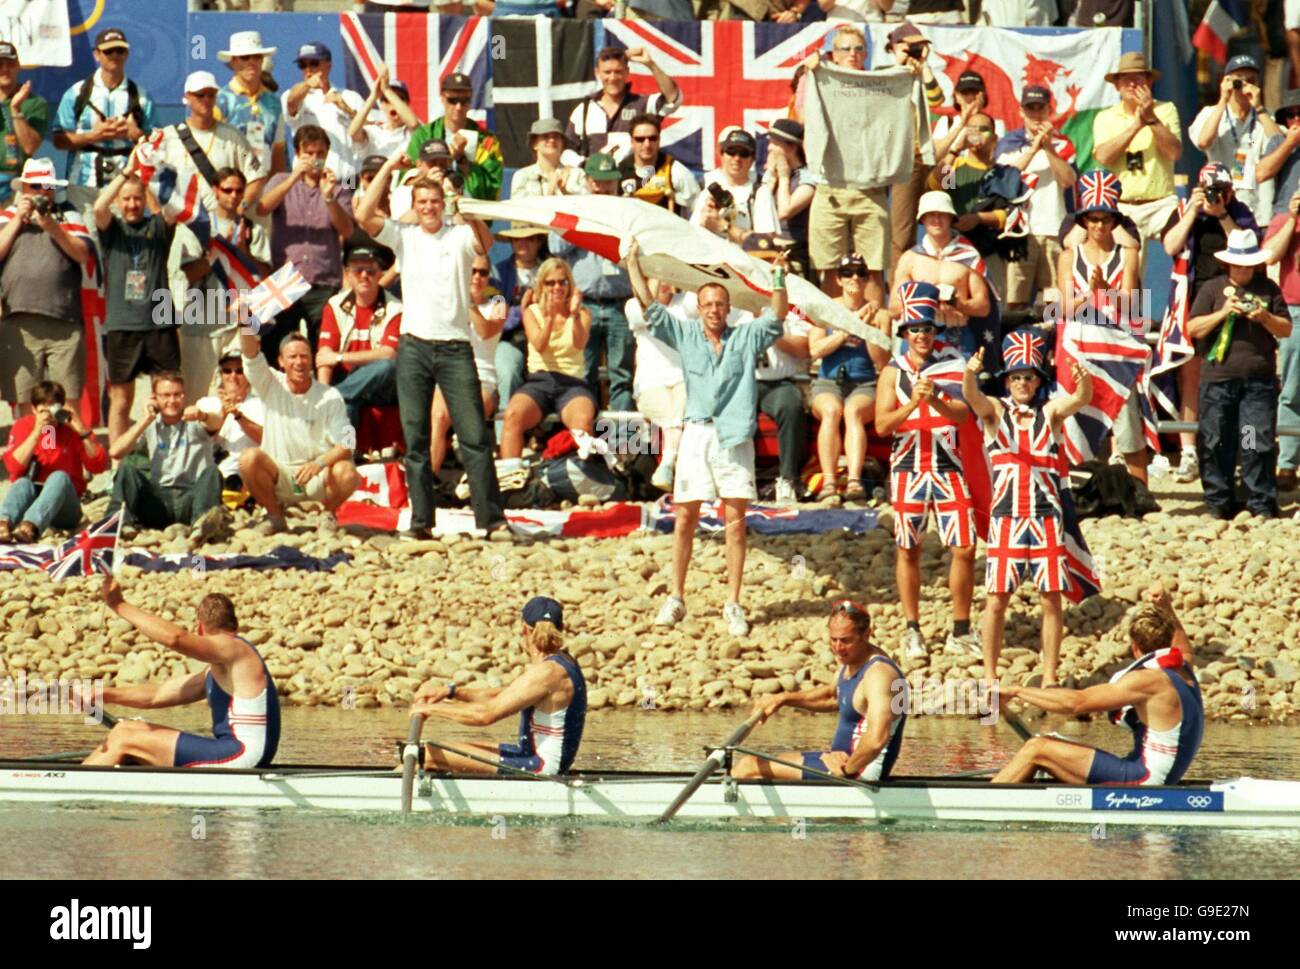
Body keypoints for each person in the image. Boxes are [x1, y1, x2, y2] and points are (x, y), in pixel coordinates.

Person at [628, 242, 787, 637]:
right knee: (685, 517)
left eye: (720, 304)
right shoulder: (685, 334)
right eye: (709, 304)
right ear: (699, 308)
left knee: (735, 522)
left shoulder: (745, 338)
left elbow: (777, 318)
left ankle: (733, 602)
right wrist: (632, 262)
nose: (715, 310)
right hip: (698, 430)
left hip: (733, 436)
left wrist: (780, 277)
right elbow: (649, 307)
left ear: (727, 308)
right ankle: (676, 597)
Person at [358, 155, 506, 540]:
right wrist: (390, 166)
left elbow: (485, 242)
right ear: (414, 204)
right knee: (416, 438)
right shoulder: (403, 237)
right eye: (421, 202)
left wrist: (462, 202)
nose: (428, 208)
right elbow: (363, 214)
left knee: (474, 435)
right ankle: (422, 521)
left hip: (456, 348)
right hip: (414, 347)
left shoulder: (458, 236)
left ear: (442, 205)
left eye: (434, 202)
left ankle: (492, 519)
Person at [963, 334, 1092, 688]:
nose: (1022, 383)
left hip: (1046, 518)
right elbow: (972, 399)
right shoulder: (996, 411)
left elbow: (1080, 400)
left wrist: (1084, 378)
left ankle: (1049, 675)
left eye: (1029, 377)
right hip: (1006, 518)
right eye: (1016, 377)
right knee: (996, 599)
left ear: (1038, 381)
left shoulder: (1048, 413)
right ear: (1007, 380)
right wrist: (969, 375)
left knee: (1050, 598)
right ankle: (990, 677)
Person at [992, 586, 1202, 787]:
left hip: (1143, 780)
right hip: (1157, 776)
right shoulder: (1183, 667)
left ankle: (976, 806)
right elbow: (1183, 644)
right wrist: (1166, 607)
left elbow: (1075, 703)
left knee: (1037, 748)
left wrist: (1016, 691)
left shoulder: (1149, 681)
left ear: (1135, 647)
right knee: (1049, 746)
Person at [875, 281, 979, 659]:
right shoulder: (892, 372)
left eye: (927, 328)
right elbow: (883, 425)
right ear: (904, 333)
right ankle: (912, 628)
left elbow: (964, 414)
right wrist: (912, 405)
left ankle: (961, 629)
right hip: (908, 468)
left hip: (948, 465)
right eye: (915, 329)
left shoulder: (952, 363)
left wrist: (934, 398)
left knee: (964, 547)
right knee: (908, 547)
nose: (922, 335)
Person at [83, 578, 281, 770]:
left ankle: (66, 786)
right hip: (239, 752)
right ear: (235, 625)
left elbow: (176, 639)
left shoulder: (234, 648)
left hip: (242, 754)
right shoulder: (216, 672)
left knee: (125, 736)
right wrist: (103, 694)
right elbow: (157, 696)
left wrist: (118, 604)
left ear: (199, 627)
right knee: (127, 729)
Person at [1160, 163, 1260, 486]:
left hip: (1236, 298)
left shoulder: (1239, 213)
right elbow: (1170, 246)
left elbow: (1248, 246)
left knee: (1239, 382)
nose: (1219, 196)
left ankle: (1246, 453)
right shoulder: (1187, 210)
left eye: (1224, 191)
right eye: (1213, 191)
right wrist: (1192, 211)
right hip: (1198, 300)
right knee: (1192, 376)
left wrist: (1221, 214)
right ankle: (1190, 452)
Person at [731, 599, 908, 782]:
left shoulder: (880, 675)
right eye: (833, 639)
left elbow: (876, 739)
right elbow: (833, 696)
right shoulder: (853, 661)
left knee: (749, 766)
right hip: (840, 760)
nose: (838, 648)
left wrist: (845, 771)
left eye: (845, 641)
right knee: (769, 762)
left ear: (866, 635)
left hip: (859, 772)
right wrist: (783, 699)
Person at [411, 596, 586, 777]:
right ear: (561, 629)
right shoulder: (562, 663)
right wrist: (452, 692)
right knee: (439, 752)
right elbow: (504, 696)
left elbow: (485, 715)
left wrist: (430, 708)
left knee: (428, 754)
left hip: (541, 767)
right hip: (529, 755)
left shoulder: (548, 673)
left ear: (524, 630)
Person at [1184, 229, 1291, 519]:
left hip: (1257, 383)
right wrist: (1223, 313)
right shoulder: (1211, 289)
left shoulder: (1268, 289)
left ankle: (1259, 502)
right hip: (1218, 380)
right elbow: (1193, 329)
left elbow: (1286, 329)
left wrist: (1265, 317)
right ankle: (1219, 502)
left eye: (1247, 265)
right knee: (1217, 441)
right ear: (1227, 264)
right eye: (1238, 264)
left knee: (1253, 440)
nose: (1242, 270)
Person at [1057, 169, 1148, 485]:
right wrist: (1088, 292)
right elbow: (1064, 308)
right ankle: (1083, 493)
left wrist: (1105, 286)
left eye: (1105, 219)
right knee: (1077, 420)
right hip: (1080, 348)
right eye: (1092, 219)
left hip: (1116, 350)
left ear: (1114, 221)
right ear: (1083, 221)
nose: (1098, 225)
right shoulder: (1069, 256)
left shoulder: (1128, 254)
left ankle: (1140, 494)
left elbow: (1133, 305)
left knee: (1127, 424)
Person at [798, 26, 887, 305]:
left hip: (871, 188)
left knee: (872, 269)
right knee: (830, 269)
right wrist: (811, 74)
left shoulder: (880, 86)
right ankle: (836, 336)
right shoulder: (816, 79)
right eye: (846, 48)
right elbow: (804, 120)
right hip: (829, 188)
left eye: (859, 49)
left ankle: (874, 335)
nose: (853, 54)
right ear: (832, 55)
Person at [94, 165, 180, 445]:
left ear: (144, 200)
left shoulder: (157, 227)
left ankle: (168, 455)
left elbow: (174, 206)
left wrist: (147, 177)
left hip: (159, 323)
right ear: (118, 202)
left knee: (169, 394)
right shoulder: (113, 230)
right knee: (121, 399)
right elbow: (98, 207)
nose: (132, 205)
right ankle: (118, 462)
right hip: (122, 325)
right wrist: (123, 175)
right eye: (126, 199)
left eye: (137, 198)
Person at [0, 159, 93, 414]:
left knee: (64, 401)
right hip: (19, 320)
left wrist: (54, 228)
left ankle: (58, 451)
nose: (42, 192)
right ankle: (35, 452)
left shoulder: (69, 214)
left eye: (47, 186)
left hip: (64, 321)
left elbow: (83, 255)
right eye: (36, 186)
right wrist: (19, 219)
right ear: (25, 188)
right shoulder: (8, 215)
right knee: (27, 402)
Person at [255, 124, 354, 360]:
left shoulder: (340, 188)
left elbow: (347, 230)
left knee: (323, 348)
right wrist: (294, 177)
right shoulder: (280, 179)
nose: (314, 159)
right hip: (285, 279)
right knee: (275, 345)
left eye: (320, 153)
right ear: (298, 154)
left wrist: (329, 197)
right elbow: (262, 208)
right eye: (308, 153)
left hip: (323, 280)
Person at [551, 153, 636, 412]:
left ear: (618, 182)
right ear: (588, 181)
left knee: (622, 375)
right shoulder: (577, 210)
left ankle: (622, 445)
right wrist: (584, 223)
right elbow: (555, 246)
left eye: (608, 181)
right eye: (597, 181)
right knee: (583, 373)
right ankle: (587, 442)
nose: (603, 187)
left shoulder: (629, 211)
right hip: (583, 304)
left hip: (620, 302)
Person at [107, 371, 228, 543]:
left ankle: (201, 526)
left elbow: (216, 423)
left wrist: (203, 415)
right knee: (127, 468)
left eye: (176, 395)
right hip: (159, 500)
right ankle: (116, 522)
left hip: (190, 496)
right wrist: (146, 418)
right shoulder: (150, 425)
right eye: (165, 395)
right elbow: (115, 452)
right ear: (154, 398)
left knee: (212, 472)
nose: (172, 400)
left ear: (184, 396)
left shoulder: (193, 420)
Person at [808, 253, 890, 503]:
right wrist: (847, 331)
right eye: (848, 273)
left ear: (867, 279)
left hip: (863, 382)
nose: (854, 278)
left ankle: (854, 481)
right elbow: (815, 351)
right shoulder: (825, 309)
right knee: (833, 411)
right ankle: (829, 481)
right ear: (839, 279)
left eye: (860, 273)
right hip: (828, 381)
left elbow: (882, 360)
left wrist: (866, 330)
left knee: (853, 410)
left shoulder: (880, 315)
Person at [1091, 52, 1182, 271]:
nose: (1132, 84)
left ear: (1149, 81)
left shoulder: (1166, 109)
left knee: (1184, 245)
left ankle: (1183, 302)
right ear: (1117, 86)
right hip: (1123, 206)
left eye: (1139, 78)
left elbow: (1174, 153)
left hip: (1161, 203)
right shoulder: (1106, 117)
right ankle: (1132, 306)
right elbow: (1103, 157)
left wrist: (1151, 118)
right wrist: (1135, 126)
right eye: (1126, 79)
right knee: (1127, 270)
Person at [499, 258, 596, 458]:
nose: (557, 287)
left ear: (570, 285)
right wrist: (551, 318)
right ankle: (510, 477)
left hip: (572, 383)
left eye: (562, 282)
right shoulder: (532, 312)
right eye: (550, 283)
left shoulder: (583, 313)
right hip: (539, 381)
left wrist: (574, 315)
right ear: (541, 285)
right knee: (512, 416)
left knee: (584, 422)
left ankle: (583, 476)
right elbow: (539, 344)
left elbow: (579, 343)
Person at [994, 85, 1078, 312]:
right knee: (1015, 299)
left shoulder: (1063, 144)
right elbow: (1005, 181)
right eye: (1030, 109)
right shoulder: (1008, 144)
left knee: (1052, 299)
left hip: (1053, 229)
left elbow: (1068, 180)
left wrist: (1048, 147)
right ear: (1021, 112)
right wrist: (1033, 149)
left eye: (1040, 108)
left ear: (1049, 110)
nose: (1035, 114)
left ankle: (1048, 346)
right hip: (1018, 232)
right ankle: (1013, 344)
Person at [51, 28, 155, 210]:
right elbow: (59, 140)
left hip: (124, 186)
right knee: (85, 237)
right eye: (108, 51)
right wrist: (93, 136)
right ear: (96, 55)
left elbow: (157, 145)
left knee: (121, 238)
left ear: (127, 54)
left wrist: (137, 136)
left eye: (120, 50)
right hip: (83, 184)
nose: (114, 56)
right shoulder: (76, 94)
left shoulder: (141, 97)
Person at [0, 381, 108, 544]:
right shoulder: (24, 426)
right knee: (22, 483)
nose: (48, 416)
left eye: (52, 410)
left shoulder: (71, 429)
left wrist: (82, 433)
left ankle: (30, 527)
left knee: (59, 477)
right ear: (34, 409)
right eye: (43, 411)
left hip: (65, 507)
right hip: (32, 500)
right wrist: (37, 432)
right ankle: (3, 524)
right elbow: (13, 467)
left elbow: (98, 466)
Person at [891, 190, 992, 360]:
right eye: (931, 215)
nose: (937, 220)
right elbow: (893, 308)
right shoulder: (910, 259)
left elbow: (983, 307)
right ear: (922, 219)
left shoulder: (969, 256)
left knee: (959, 385)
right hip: (918, 336)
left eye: (942, 215)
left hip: (957, 336)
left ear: (951, 218)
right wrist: (927, 302)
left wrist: (957, 303)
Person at [927, 110, 1012, 297]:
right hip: (955, 251)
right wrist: (956, 149)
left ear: (995, 137)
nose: (977, 133)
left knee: (993, 304)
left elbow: (1011, 214)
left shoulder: (1002, 174)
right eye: (971, 129)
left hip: (991, 252)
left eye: (983, 129)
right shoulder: (957, 166)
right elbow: (937, 185)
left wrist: (979, 218)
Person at [884, 21, 947, 272]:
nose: (914, 52)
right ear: (894, 47)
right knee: (901, 231)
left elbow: (938, 99)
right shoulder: (884, 72)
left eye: (919, 47)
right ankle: (899, 291)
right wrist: (900, 64)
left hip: (924, 157)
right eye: (909, 47)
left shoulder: (921, 74)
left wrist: (925, 68)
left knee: (934, 217)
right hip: (901, 158)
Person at [317, 244, 401, 430]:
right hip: (348, 380)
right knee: (347, 405)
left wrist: (339, 357)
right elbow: (324, 355)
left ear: (380, 274)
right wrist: (322, 391)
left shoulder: (396, 308)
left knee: (388, 366)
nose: (364, 275)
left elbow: (388, 354)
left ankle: (333, 398)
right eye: (358, 270)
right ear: (347, 274)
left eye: (370, 271)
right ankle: (346, 452)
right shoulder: (334, 305)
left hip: (380, 385)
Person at [433, 253, 504, 473]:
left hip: (482, 378)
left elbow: (485, 331)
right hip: (449, 374)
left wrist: (469, 303)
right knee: (437, 416)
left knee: (469, 415)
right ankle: (424, 485)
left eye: (483, 272)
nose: (477, 277)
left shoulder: (498, 303)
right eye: (472, 271)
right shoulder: (447, 301)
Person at [1189, 55, 1279, 228]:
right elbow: (1203, 142)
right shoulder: (1212, 113)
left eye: (1251, 81)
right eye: (1239, 81)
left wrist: (1259, 108)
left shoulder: (1265, 118)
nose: (1244, 86)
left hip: (1260, 211)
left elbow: (1283, 147)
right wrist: (1223, 99)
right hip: (1220, 207)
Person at [565, 46, 681, 163]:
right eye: (607, 72)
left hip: (633, 179)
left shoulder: (642, 104)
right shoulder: (585, 109)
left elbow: (673, 99)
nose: (613, 78)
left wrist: (651, 65)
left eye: (618, 71)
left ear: (627, 72)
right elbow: (567, 150)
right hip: (597, 179)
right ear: (597, 73)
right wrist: (586, 165)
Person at [626, 277, 687, 492]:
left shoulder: (685, 303)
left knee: (679, 407)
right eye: (655, 276)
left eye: (667, 276)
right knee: (672, 413)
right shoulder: (633, 306)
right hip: (649, 384)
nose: (663, 281)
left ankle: (667, 465)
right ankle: (669, 465)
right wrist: (650, 284)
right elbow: (646, 310)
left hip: (682, 379)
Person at [405, 72, 503, 201]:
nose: (458, 107)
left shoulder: (487, 141)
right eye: (452, 100)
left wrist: (462, 159)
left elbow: (492, 189)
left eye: (464, 101)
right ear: (442, 98)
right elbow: (404, 185)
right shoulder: (424, 135)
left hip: (469, 214)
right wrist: (426, 179)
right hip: (430, 210)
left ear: (471, 99)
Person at [281, 41, 366, 184]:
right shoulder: (294, 95)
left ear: (328, 65)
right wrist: (308, 85)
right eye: (303, 65)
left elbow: (367, 133)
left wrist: (345, 108)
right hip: (309, 181)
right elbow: (291, 102)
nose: (308, 70)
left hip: (348, 180)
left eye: (314, 63)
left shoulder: (351, 97)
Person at [1262, 189, 1300, 492]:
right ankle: (1286, 464)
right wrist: (1292, 218)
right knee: (1291, 391)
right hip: (1294, 311)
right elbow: (1270, 256)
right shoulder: (1283, 219)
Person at [492, 222, 548, 409]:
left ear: (539, 242)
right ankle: (503, 435)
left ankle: (547, 435)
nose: (523, 244)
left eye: (529, 239)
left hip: (545, 339)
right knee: (507, 372)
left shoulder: (551, 271)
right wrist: (520, 310)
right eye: (517, 239)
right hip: (509, 339)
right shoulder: (498, 273)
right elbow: (496, 310)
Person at [216, 30, 286, 176]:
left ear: (262, 60)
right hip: (231, 189)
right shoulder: (219, 101)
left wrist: (276, 189)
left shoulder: (274, 102)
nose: (251, 62)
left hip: (265, 187)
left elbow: (278, 151)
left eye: (256, 56)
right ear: (233, 62)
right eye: (245, 57)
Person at [195, 348, 264, 491]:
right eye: (227, 371)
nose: (233, 376)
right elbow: (202, 440)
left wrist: (238, 416)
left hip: (249, 476)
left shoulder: (261, 404)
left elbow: (266, 439)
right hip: (215, 475)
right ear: (221, 374)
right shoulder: (205, 404)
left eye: (239, 371)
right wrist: (224, 412)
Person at [759, 118, 812, 277]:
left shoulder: (807, 178)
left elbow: (783, 211)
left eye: (775, 143)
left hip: (795, 253)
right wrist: (772, 178)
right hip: (765, 249)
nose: (769, 148)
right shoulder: (771, 174)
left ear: (791, 147)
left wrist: (784, 177)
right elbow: (761, 211)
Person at [618, 113, 700, 215]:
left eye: (652, 138)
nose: (647, 144)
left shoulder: (675, 170)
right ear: (632, 141)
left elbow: (698, 207)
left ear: (659, 139)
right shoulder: (619, 171)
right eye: (640, 139)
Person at [0, 41, 50, 205]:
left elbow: (30, 147)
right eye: (0, 64)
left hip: (16, 186)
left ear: (18, 66)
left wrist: (15, 109)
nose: (5, 69)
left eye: (10, 63)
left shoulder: (35, 102)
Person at [691, 129, 760, 247]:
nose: (737, 158)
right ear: (721, 154)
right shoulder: (708, 192)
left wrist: (722, 225)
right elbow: (693, 235)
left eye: (743, 153)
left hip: (745, 261)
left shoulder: (759, 192)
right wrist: (706, 218)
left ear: (752, 159)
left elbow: (764, 243)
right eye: (731, 152)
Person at [347, 64, 419, 164]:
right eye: (387, 100)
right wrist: (373, 97)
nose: (393, 105)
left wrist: (387, 90)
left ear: (407, 104)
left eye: (398, 99)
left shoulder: (411, 132)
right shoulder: (375, 131)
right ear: (382, 105)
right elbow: (353, 133)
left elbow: (413, 124)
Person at [510, 118, 586, 199]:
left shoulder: (576, 174)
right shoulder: (522, 176)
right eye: (545, 136)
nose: (552, 140)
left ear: (562, 143)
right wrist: (549, 193)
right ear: (534, 144)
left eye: (556, 137)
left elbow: (586, 205)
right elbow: (518, 208)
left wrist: (565, 192)